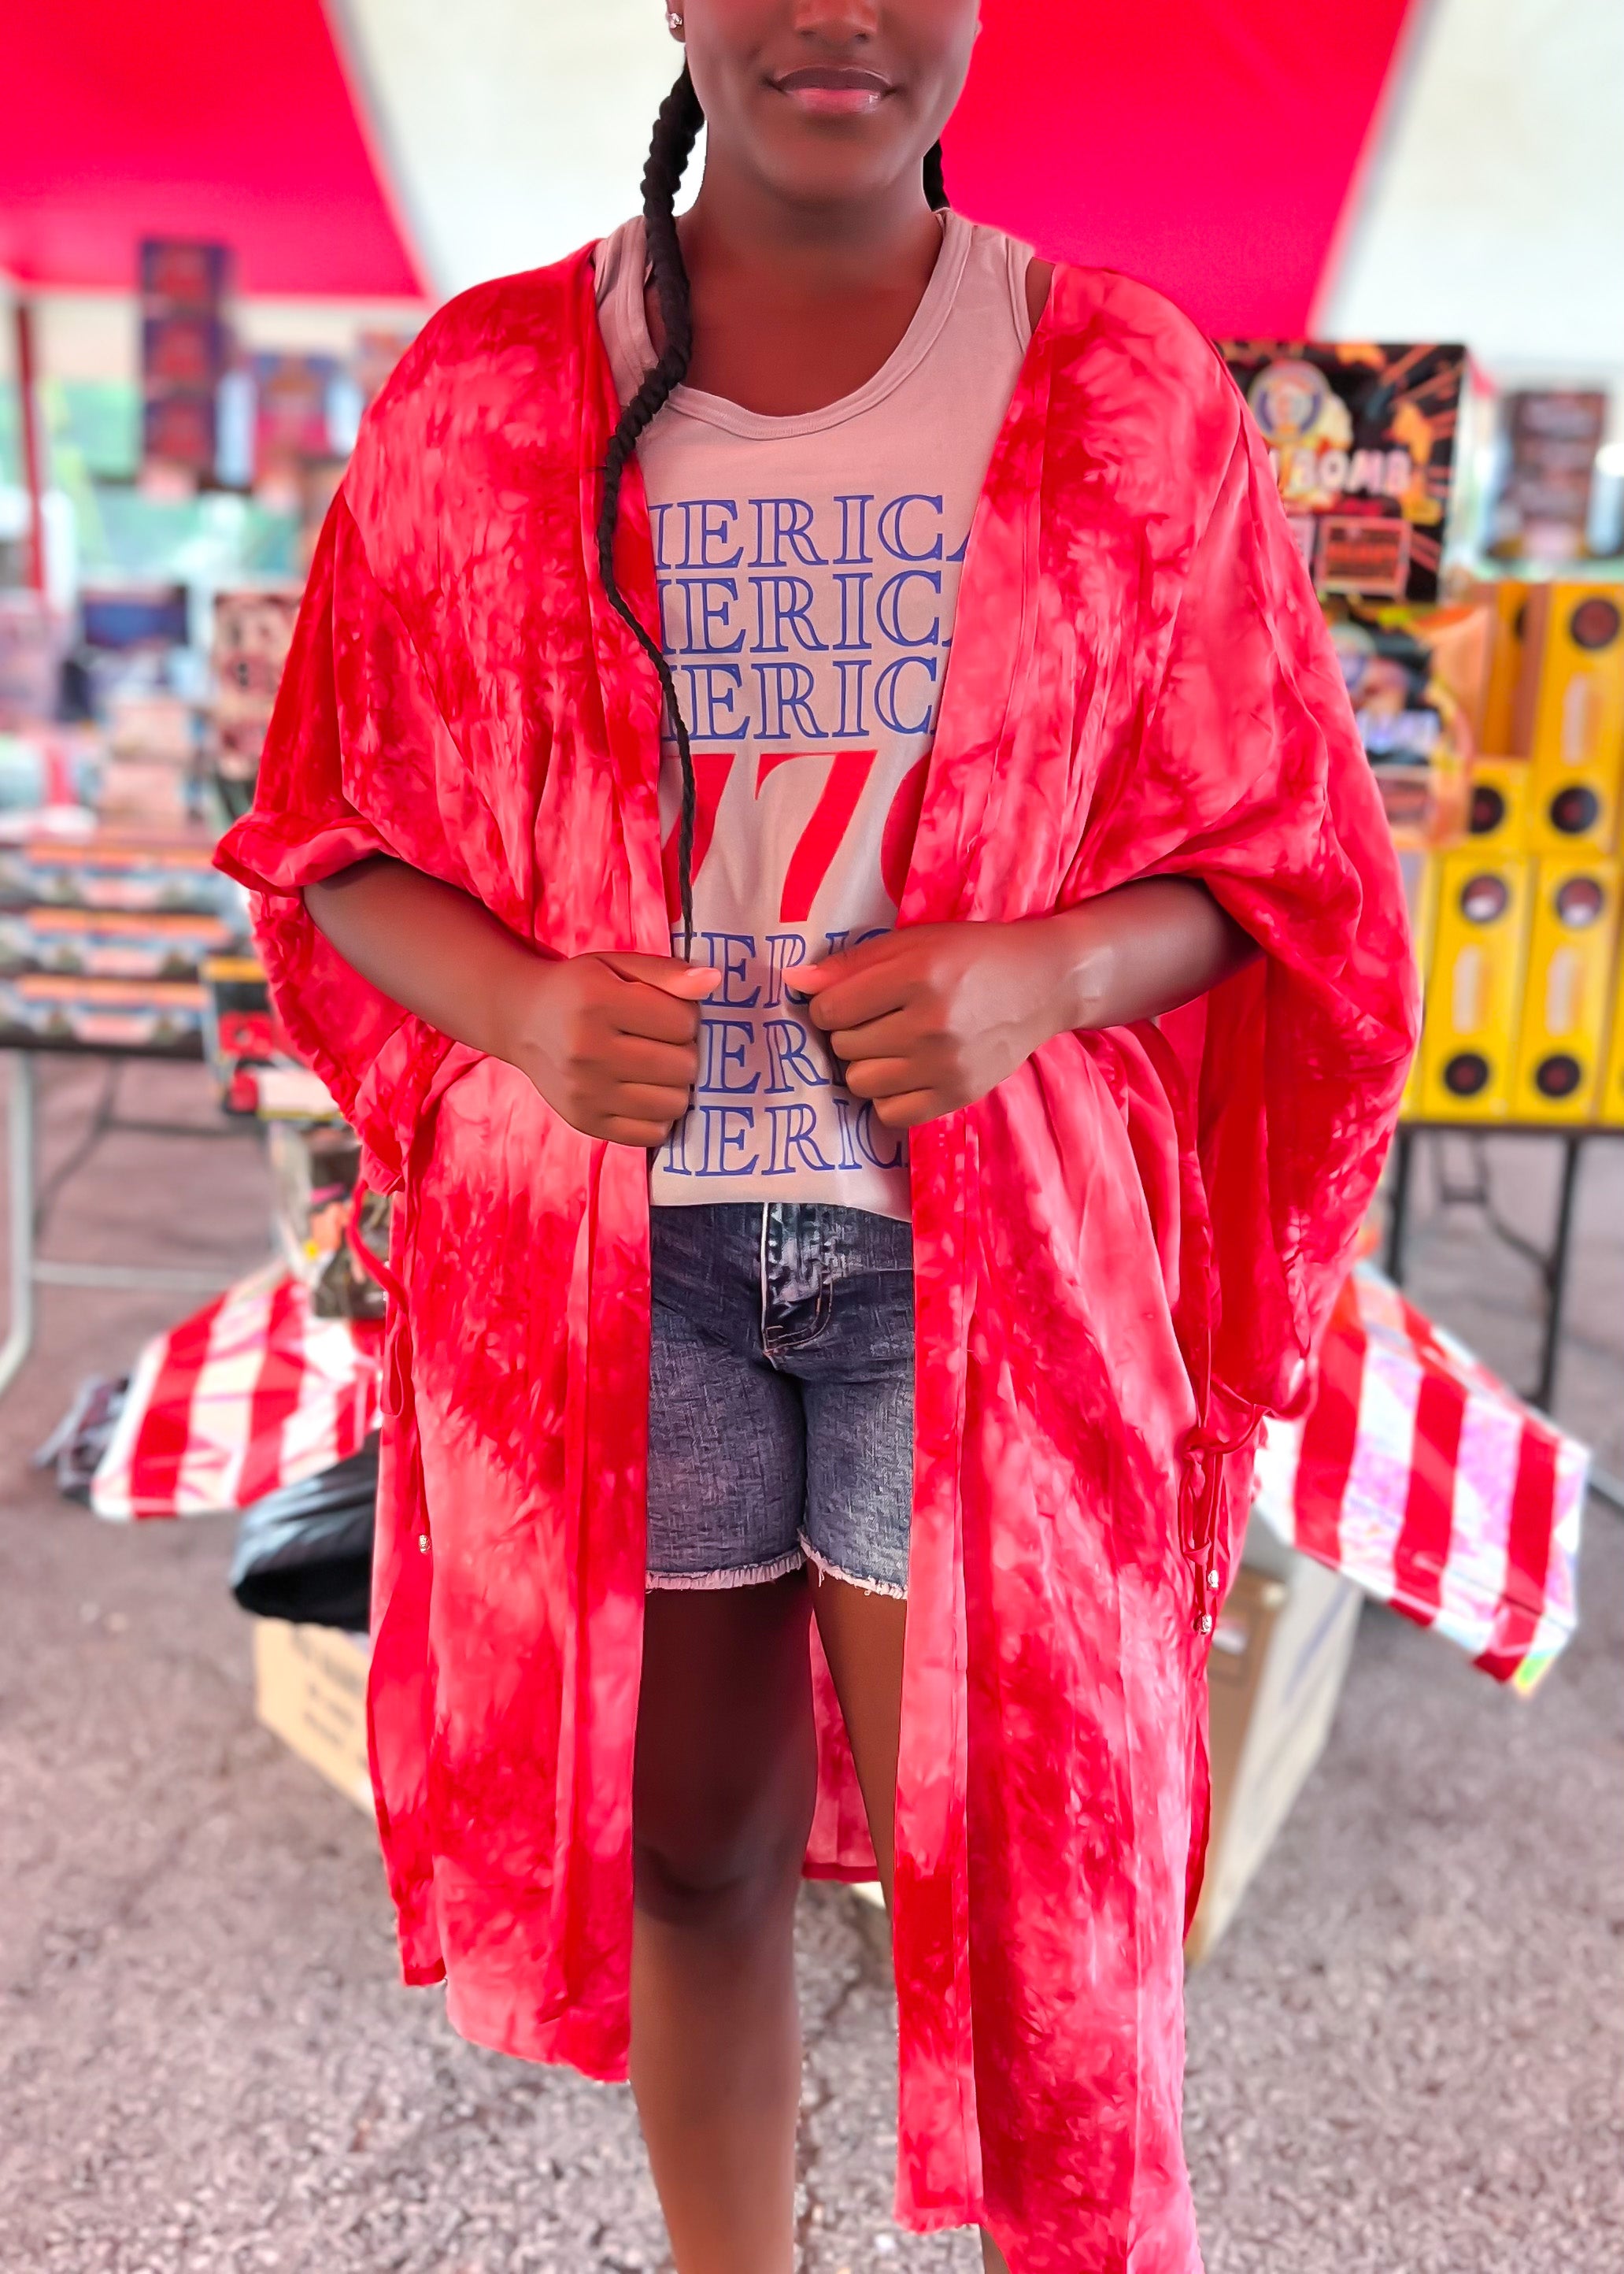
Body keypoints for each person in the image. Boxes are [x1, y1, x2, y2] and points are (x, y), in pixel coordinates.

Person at [217, 4, 1417, 2268]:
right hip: (606, 1275)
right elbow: (326, 835)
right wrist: (528, 1010)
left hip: (982, 1280)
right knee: (692, 1855)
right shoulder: (485, 391)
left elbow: (1284, 868)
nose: (837, 15)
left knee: (1048, 1908)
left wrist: (1045, 971)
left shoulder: (1130, 395)